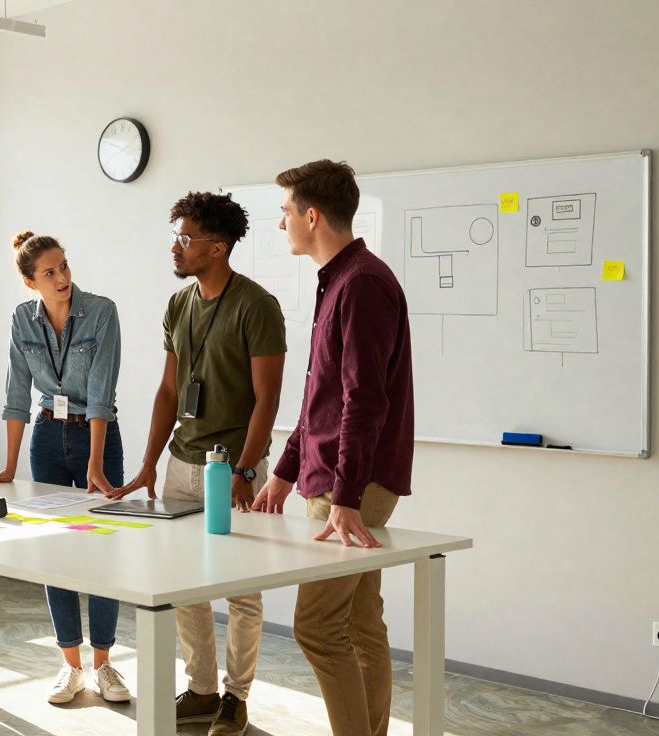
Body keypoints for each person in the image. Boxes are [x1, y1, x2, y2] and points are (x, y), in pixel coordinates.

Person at [113, 191, 286, 736]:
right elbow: (169, 390)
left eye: (185, 239)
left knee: (241, 588)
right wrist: (148, 464)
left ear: (217, 247)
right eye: (176, 236)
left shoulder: (256, 306)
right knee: (183, 585)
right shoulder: (179, 305)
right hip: (182, 463)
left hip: (233, 469)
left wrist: (247, 471)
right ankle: (203, 689)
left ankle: (235, 698)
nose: (176, 247)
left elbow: (268, 400)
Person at [252, 160, 414, 736]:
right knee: (361, 621)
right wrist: (285, 472)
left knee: (318, 627)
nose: (282, 225)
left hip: (353, 486)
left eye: (286, 213)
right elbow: (319, 397)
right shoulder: (341, 279)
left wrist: (345, 496)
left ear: (312, 215)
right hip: (337, 480)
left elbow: (363, 401)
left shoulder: (362, 284)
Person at [0, 231, 132, 705]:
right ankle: (70, 666)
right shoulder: (22, 319)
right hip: (46, 436)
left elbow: (103, 392)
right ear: (31, 282)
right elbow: (16, 393)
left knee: (102, 551)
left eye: (64, 266)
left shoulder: (102, 311)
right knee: (55, 551)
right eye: (50, 272)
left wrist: (93, 459)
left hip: (97, 437)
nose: (63, 277)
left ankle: (105, 664)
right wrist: (8, 465)